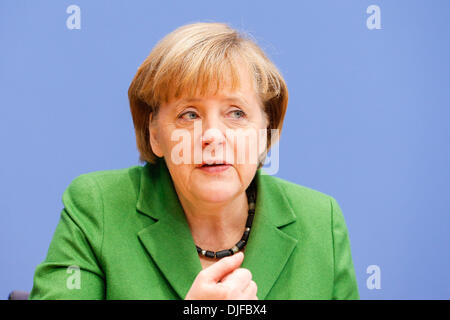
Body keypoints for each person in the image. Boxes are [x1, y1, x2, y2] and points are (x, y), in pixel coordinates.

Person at [29, 22, 359, 300]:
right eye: (189, 114)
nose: (212, 135)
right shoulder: (98, 208)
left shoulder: (320, 222)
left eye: (236, 113)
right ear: (155, 134)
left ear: (265, 133)